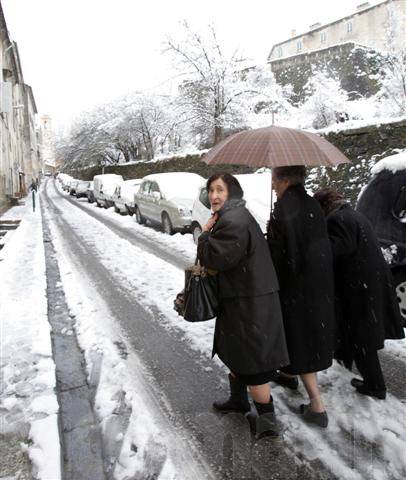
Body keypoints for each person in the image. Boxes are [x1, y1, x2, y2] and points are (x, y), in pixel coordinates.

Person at [197, 173, 289, 439]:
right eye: (211, 190)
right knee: (236, 351)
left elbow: (216, 258)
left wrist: (204, 236)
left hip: (250, 304)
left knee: (254, 363)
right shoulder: (232, 216)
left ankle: (268, 421)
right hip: (242, 299)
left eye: (220, 190)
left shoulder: (234, 220)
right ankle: (238, 400)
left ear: (232, 193)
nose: (214, 196)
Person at [314, 188, 405, 399]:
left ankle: (375, 386)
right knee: (359, 333)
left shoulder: (337, 219)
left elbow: (338, 248)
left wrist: (315, 241)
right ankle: (345, 360)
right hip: (369, 283)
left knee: (362, 339)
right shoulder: (351, 214)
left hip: (360, 287)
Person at [267, 166, 335, 428]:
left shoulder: (284, 208)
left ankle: (317, 407)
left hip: (295, 286)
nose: (273, 185)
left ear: (284, 180)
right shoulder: (312, 203)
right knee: (303, 336)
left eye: (274, 179)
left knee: (302, 340)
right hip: (318, 284)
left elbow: (279, 255)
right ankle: (286, 373)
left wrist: (270, 235)